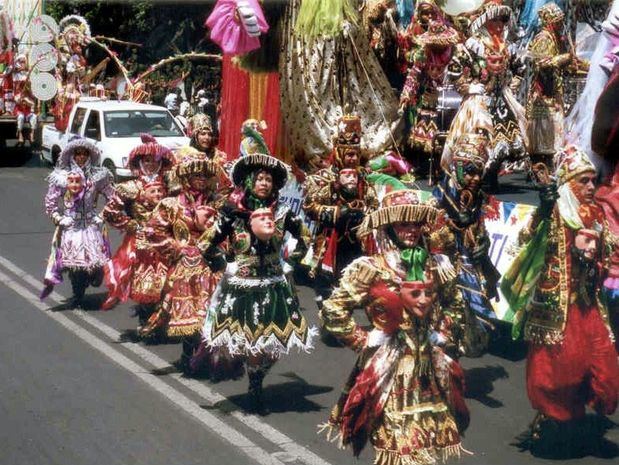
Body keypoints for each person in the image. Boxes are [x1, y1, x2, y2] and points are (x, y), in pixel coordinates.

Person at [320, 186, 469, 465]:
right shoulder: (372, 268)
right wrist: (363, 339)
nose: (412, 230)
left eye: (416, 224)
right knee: (397, 447)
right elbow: (333, 309)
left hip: (429, 365)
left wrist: (443, 333)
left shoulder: (437, 264)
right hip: (388, 367)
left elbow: (455, 304)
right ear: (389, 228)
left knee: (429, 441)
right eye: (403, 224)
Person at [501, 146, 619, 454]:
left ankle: (570, 419)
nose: (591, 187)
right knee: (557, 377)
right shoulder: (554, 212)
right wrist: (541, 209)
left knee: (605, 370)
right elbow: (525, 238)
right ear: (568, 183)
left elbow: (609, 252)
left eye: (594, 180)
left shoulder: (596, 216)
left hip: (588, 305)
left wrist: (597, 251)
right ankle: (552, 424)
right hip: (556, 311)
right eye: (584, 181)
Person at [196, 153, 317, 412]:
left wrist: (290, 262)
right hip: (242, 286)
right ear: (250, 181)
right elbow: (206, 243)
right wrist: (224, 265)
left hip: (274, 285)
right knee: (248, 344)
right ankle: (254, 386)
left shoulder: (283, 213)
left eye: (269, 179)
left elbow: (306, 238)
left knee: (272, 346)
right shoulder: (233, 212)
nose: (264, 183)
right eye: (259, 178)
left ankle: (256, 379)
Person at [139, 147, 225, 371]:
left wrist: (223, 248)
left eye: (205, 176)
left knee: (211, 313)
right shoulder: (171, 204)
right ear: (186, 177)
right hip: (185, 267)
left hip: (212, 265)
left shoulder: (218, 203)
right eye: (196, 176)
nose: (201, 180)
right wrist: (175, 247)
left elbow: (229, 232)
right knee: (189, 316)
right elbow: (152, 230)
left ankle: (208, 357)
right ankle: (189, 353)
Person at [443, 0, 527, 191]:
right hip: (479, 102)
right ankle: (472, 177)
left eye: (502, 21)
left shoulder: (506, 47)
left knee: (507, 142)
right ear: (484, 23)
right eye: (495, 21)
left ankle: (491, 175)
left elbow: (519, 67)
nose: (499, 25)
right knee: (479, 139)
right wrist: (469, 88)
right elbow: (455, 69)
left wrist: (512, 85)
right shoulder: (472, 46)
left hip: (502, 100)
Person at [302, 115, 378, 312]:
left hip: (357, 239)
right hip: (330, 240)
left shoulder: (365, 179)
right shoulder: (324, 178)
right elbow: (310, 207)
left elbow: (374, 204)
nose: (353, 159)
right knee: (328, 283)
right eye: (348, 155)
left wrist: (366, 217)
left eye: (355, 154)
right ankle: (329, 311)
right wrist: (339, 213)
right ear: (339, 154)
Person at [433, 133, 499, 357]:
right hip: (443, 264)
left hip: (469, 262)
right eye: (469, 171)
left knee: (479, 330)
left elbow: (481, 229)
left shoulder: (478, 197)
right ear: (457, 168)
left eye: (478, 173)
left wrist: (482, 243)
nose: (474, 178)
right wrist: (451, 227)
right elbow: (428, 234)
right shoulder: (442, 193)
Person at [101, 134, 174, 326]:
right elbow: (109, 212)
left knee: (169, 283)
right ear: (140, 162)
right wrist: (132, 225)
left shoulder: (170, 186)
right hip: (141, 243)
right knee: (146, 283)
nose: (150, 165)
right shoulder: (130, 187)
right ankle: (145, 317)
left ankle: (160, 319)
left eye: (154, 161)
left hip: (167, 242)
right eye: (147, 160)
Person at [41, 138, 114, 308]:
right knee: (74, 266)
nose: (81, 157)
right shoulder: (62, 177)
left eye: (84, 153)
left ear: (89, 155)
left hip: (91, 226)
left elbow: (113, 198)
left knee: (95, 267)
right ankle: (78, 294)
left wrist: (103, 215)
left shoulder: (98, 176)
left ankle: (93, 278)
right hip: (71, 228)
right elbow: (50, 203)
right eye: (78, 153)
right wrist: (59, 219)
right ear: (72, 155)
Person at [526, 2, 586, 168]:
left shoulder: (555, 38)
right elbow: (541, 63)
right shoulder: (543, 38)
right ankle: (541, 163)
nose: (561, 25)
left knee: (554, 125)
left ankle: (550, 161)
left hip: (552, 89)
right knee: (546, 127)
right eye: (558, 21)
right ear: (551, 22)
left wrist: (574, 63)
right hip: (544, 91)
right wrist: (565, 58)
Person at [400, 20, 460, 178]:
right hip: (428, 97)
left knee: (446, 133)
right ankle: (425, 166)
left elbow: (461, 77)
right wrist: (407, 94)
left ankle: (444, 166)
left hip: (449, 99)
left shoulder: (455, 54)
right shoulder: (423, 53)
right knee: (423, 135)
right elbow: (414, 74)